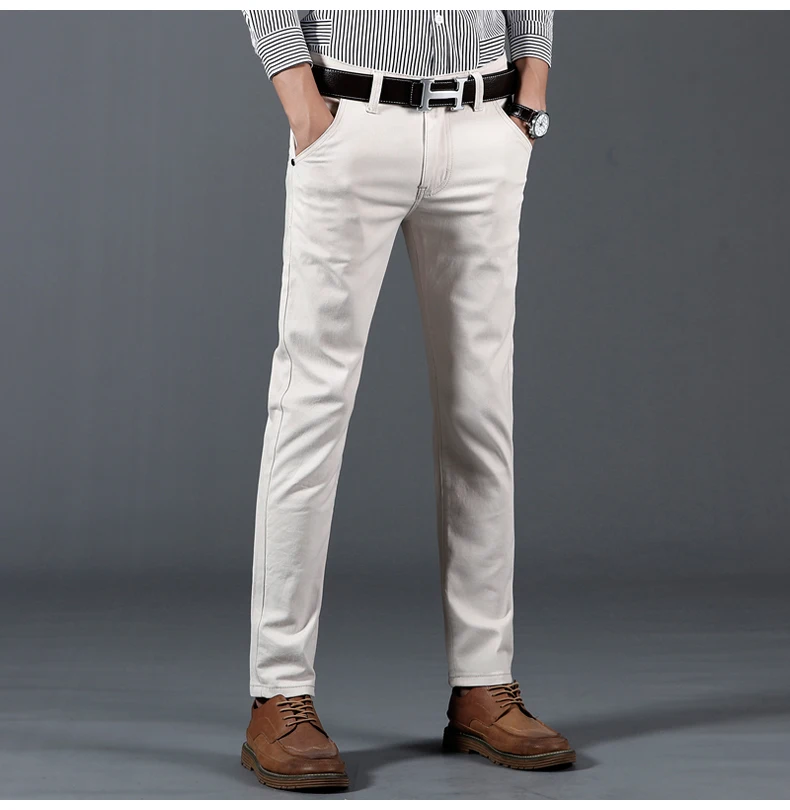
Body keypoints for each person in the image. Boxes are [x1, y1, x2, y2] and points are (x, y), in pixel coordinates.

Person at [238, 10, 574, 791]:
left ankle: (484, 685)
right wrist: (302, 103)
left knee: (481, 412)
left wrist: (529, 96)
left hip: (485, 127)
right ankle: (278, 693)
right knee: (310, 406)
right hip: (350, 121)